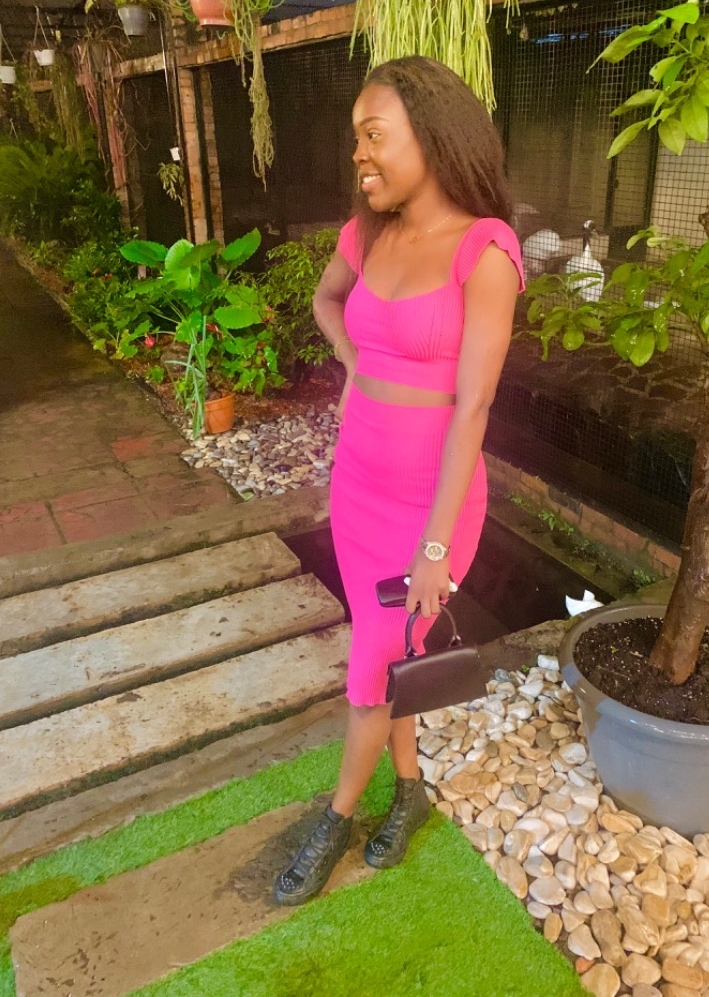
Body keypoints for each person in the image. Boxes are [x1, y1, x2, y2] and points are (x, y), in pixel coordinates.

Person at [273, 55, 525, 907]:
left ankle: (336, 818)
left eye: (374, 135)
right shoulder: (367, 235)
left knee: (372, 664)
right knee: (393, 656)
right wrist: (355, 362)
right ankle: (410, 790)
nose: (360, 154)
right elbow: (326, 302)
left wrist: (435, 549)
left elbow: (474, 407)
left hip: (430, 505)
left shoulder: (485, 251)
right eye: (357, 138)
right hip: (358, 485)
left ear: (433, 138)